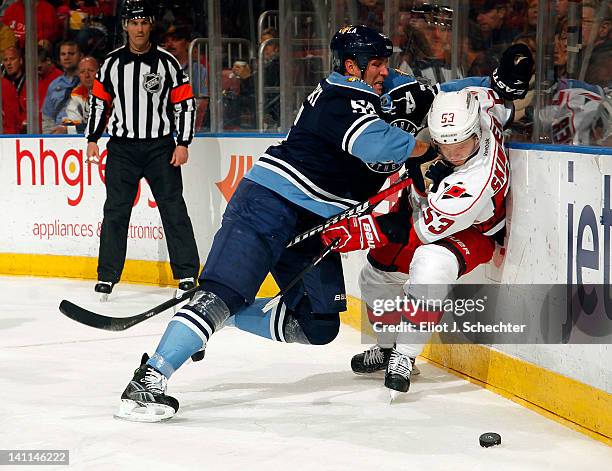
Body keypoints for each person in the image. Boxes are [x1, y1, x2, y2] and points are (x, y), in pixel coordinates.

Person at [116, 24, 436, 422]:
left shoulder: (367, 89)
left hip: (313, 220)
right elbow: (378, 144)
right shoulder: (341, 98)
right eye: (376, 64)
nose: (384, 71)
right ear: (351, 66)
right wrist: (435, 147)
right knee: (222, 294)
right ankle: (147, 382)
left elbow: (419, 89)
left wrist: (487, 88)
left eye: (385, 63)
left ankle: (216, 316)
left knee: (319, 324)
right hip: (268, 203)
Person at [339, 44, 534, 398]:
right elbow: (488, 95)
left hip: (477, 230)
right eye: (446, 146)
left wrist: (373, 228)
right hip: (436, 209)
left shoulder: (474, 180)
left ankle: (405, 355)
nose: (455, 153)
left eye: (461, 145)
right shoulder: (476, 107)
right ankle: (386, 349)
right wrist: (505, 82)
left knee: (430, 264)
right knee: (375, 274)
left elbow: (424, 230)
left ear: (476, 132)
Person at [84, 0, 200, 301]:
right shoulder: (110, 63)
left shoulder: (168, 63)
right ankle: (107, 276)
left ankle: (187, 274)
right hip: (122, 148)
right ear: (125, 26)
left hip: (160, 147)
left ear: (150, 25)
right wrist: (92, 138)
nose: (139, 28)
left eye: (144, 22)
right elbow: (98, 101)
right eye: (133, 23)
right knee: (115, 211)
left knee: (173, 209)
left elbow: (184, 103)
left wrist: (183, 142)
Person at [41, 40, 82, 133]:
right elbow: (47, 117)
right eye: (63, 54)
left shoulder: (88, 82)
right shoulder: (54, 85)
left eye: (71, 53)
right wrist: (49, 138)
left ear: (81, 56)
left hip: (82, 136)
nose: (67, 57)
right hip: (59, 137)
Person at [53, 56, 98, 134]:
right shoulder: (77, 93)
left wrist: (70, 129)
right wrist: (68, 128)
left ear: (99, 72)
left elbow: (104, 126)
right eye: (82, 72)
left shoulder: (111, 92)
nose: (87, 75)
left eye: (91, 70)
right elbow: (71, 122)